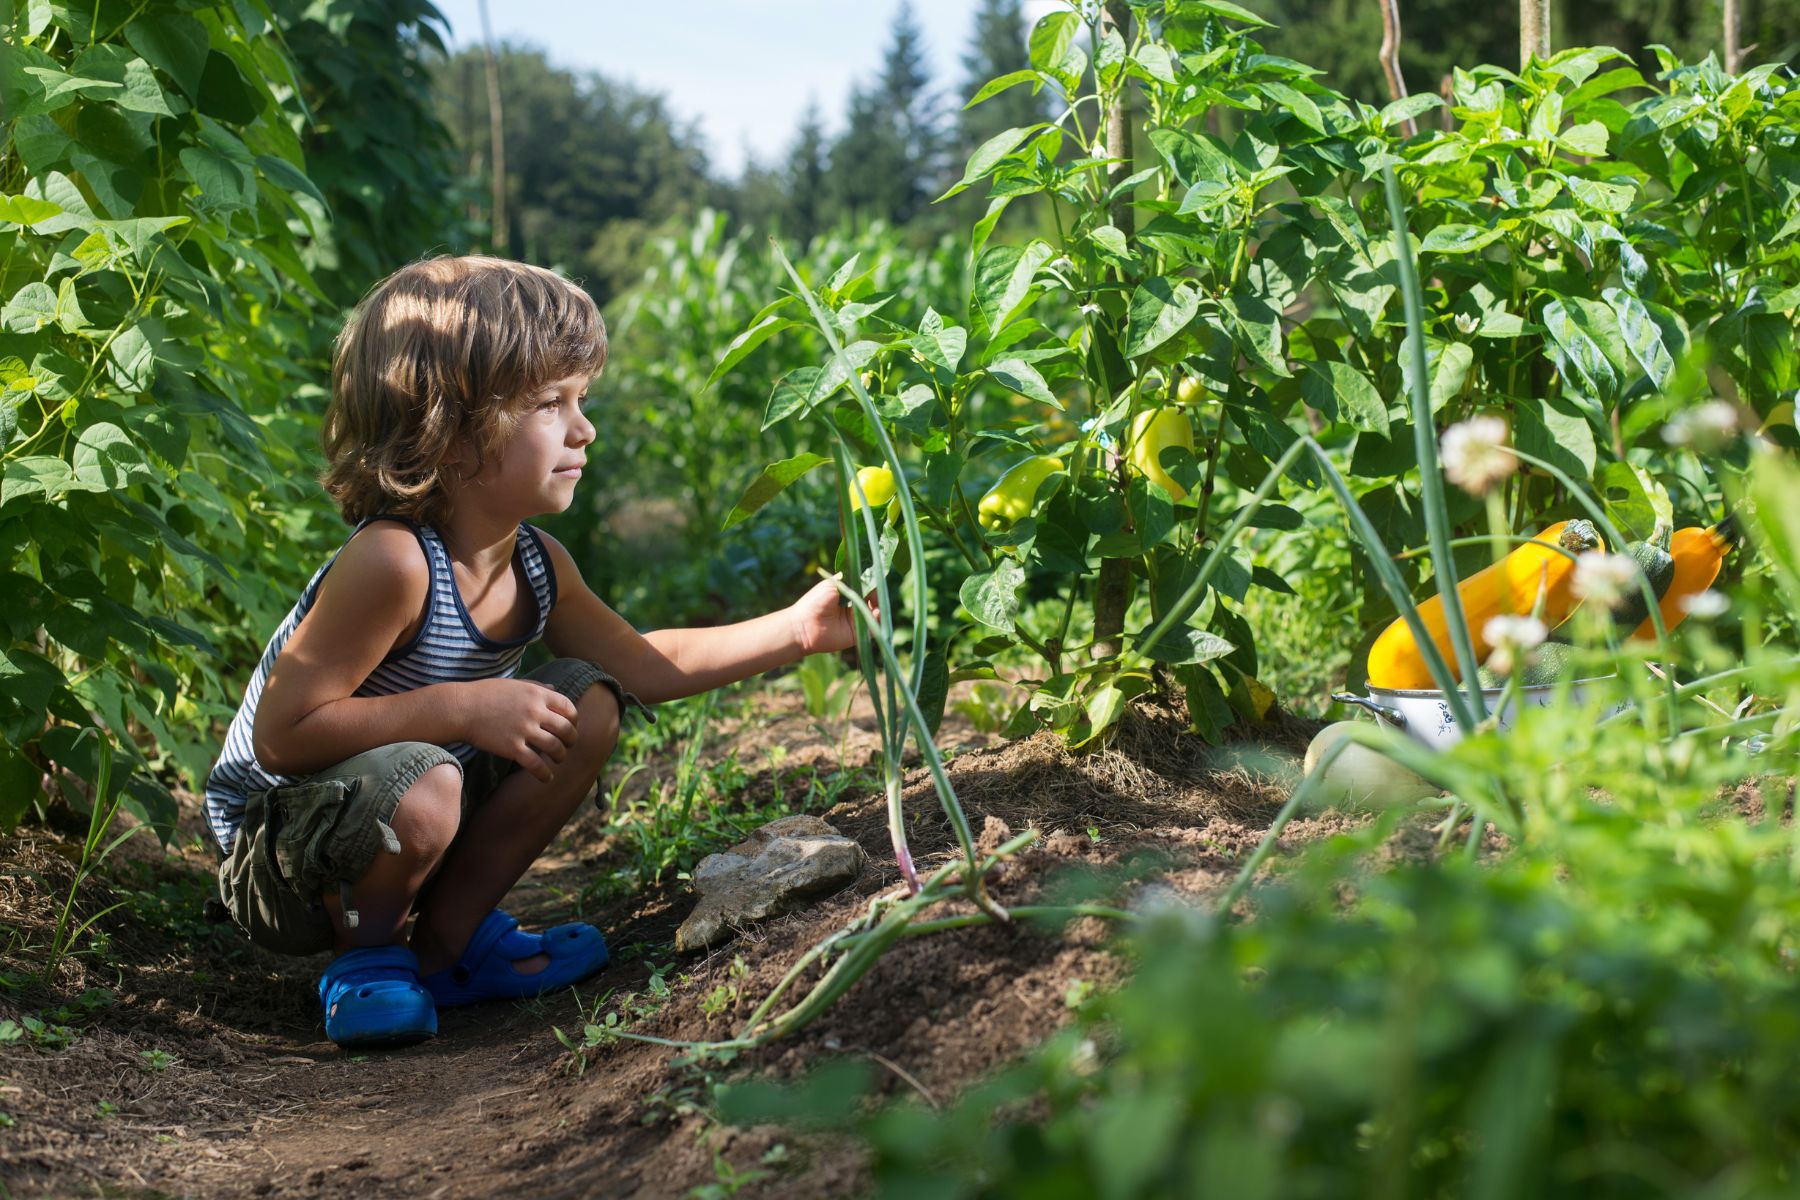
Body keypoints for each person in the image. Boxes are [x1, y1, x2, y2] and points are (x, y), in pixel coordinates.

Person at [203, 256, 862, 1049]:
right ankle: (367, 960)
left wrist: (797, 630)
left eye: (581, 399)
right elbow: (285, 733)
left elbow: (645, 664)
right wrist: (465, 706)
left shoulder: (537, 563)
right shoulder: (393, 562)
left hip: (408, 805)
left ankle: (445, 949)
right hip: (281, 853)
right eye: (551, 403)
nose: (585, 429)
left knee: (588, 702)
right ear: (446, 435)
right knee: (428, 778)